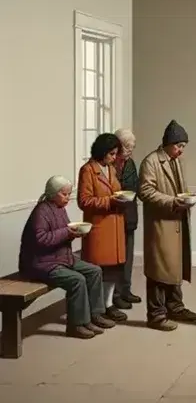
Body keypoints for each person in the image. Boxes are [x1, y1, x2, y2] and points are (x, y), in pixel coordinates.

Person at [19, 176, 115, 339]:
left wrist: (73, 234)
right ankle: (76, 325)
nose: (68, 197)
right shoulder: (41, 212)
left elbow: (64, 232)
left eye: (69, 194)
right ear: (53, 193)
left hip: (60, 257)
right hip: (41, 263)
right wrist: (67, 233)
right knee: (77, 280)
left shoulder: (59, 208)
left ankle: (95, 314)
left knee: (94, 271)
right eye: (64, 194)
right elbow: (41, 240)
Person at [138, 120, 196, 331]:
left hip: (177, 221)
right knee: (159, 269)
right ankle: (156, 315)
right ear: (168, 143)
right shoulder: (151, 162)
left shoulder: (176, 161)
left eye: (183, 147)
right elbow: (145, 191)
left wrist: (184, 200)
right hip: (161, 224)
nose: (181, 151)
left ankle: (175, 306)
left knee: (175, 265)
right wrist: (172, 201)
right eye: (178, 146)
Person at [77, 132, 128, 323]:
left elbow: (115, 190)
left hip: (115, 226)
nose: (114, 158)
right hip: (99, 228)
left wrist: (120, 198)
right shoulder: (88, 170)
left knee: (113, 270)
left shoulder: (111, 169)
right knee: (98, 271)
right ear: (102, 151)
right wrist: (110, 201)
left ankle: (108, 305)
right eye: (112, 154)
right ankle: (96, 310)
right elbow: (84, 201)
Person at [112, 128, 142, 309]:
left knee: (128, 255)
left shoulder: (130, 163)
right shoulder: (109, 163)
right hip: (114, 214)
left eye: (132, 147)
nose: (130, 150)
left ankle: (125, 289)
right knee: (116, 256)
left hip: (129, 213)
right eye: (127, 146)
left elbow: (135, 185)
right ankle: (115, 294)